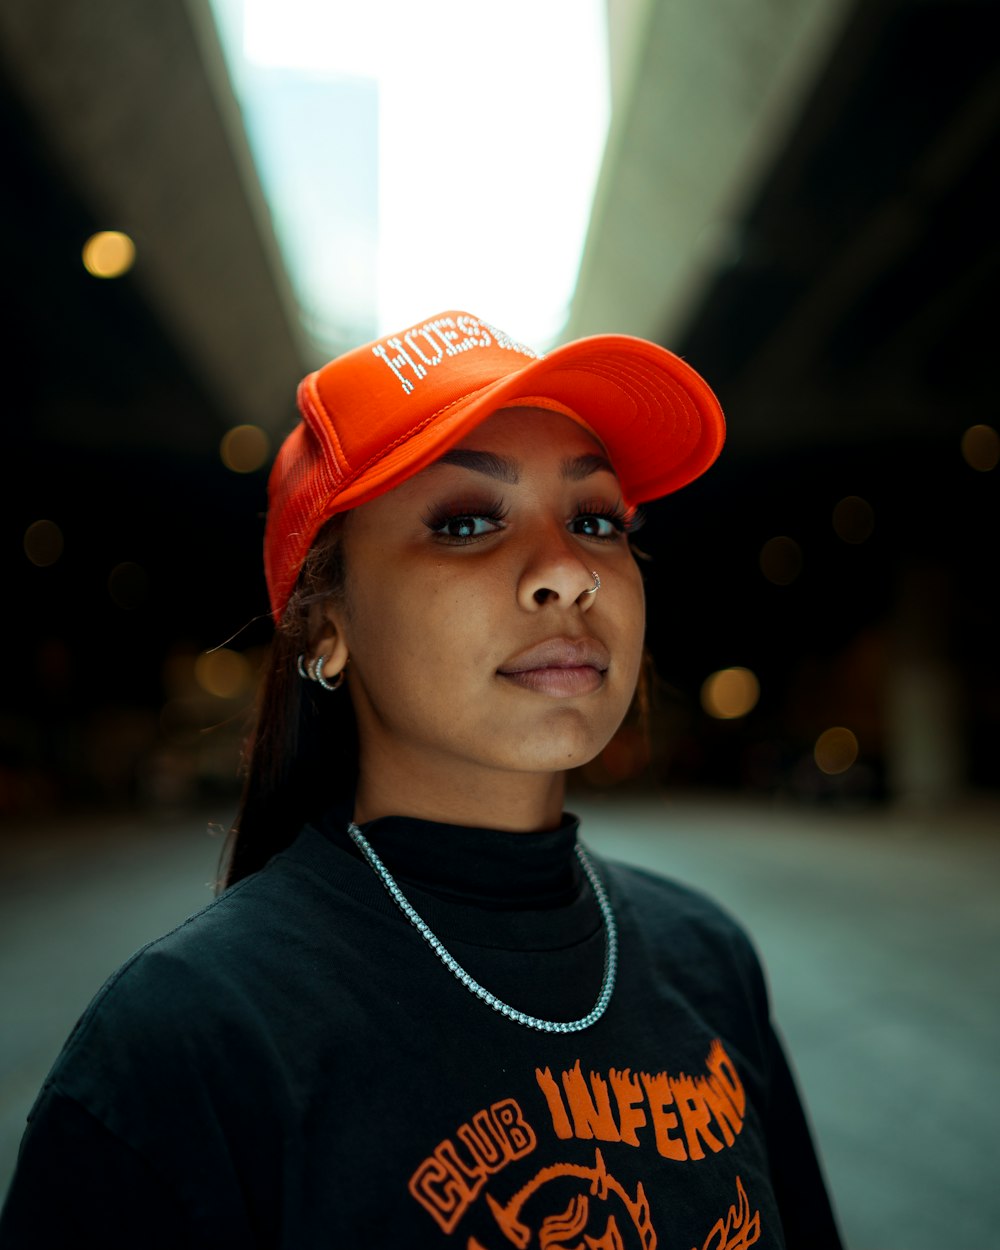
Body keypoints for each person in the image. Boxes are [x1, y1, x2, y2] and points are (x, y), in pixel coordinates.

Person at [0, 310, 843, 1248]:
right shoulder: (185, 1047)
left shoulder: (707, 957)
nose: (566, 573)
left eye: (597, 518)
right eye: (467, 523)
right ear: (325, 625)